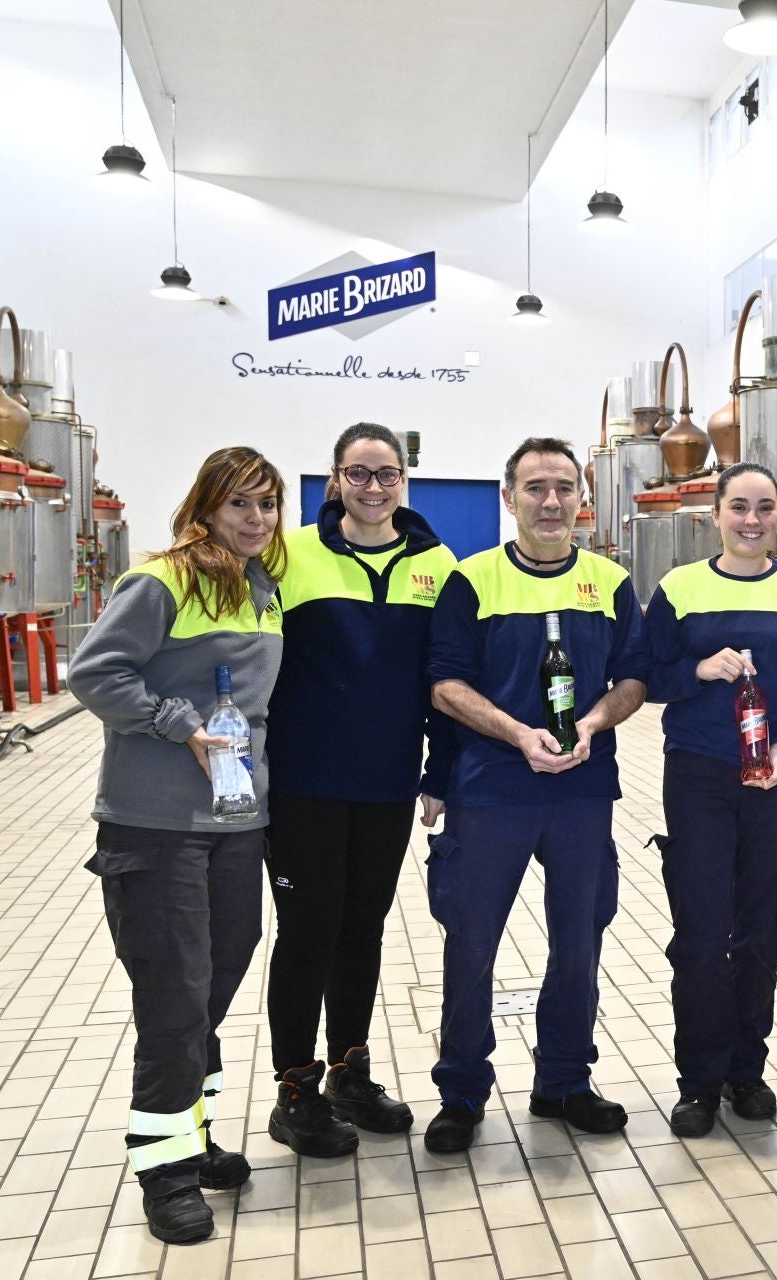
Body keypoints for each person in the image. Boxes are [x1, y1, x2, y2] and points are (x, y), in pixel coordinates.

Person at [66, 446, 287, 1245]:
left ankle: (190, 1136)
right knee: (175, 996)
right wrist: (176, 723)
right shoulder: (162, 580)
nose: (256, 519)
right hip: (156, 825)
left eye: (267, 504)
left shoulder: (263, 589)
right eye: (239, 504)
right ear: (205, 508)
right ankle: (164, 1173)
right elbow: (94, 672)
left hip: (236, 823)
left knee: (216, 979)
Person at [422, 436, 649, 1152]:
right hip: (490, 789)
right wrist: (518, 734)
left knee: (579, 941)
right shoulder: (473, 581)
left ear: (582, 497)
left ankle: (564, 1081)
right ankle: (462, 1092)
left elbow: (634, 678)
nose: (551, 502)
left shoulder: (610, 583)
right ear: (508, 497)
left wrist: (592, 724)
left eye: (564, 488)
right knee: (472, 944)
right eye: (535, 488)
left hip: (582, 790)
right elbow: (445, 685)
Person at [262, 423, 457, 1157]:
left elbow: (444, 678)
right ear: (335, 479)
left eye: (387, 474)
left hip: (386, 783)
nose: (373, 488)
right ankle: (295, 1093)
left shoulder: (437, 564)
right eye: (358, 474)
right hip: (302, 784)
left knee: (362, 930)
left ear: (404, 480)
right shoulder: (289, 557)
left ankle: (349, 1073)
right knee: (306, 933)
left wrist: (438, 771)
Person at [643, 462, 777, 1136]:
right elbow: (646, 676)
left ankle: (745, 1071)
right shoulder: (680, 588)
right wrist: (696, 670)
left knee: (761, 932)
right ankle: (699, 1083)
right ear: (716, 515)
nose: (752, 520)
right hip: (698, 775)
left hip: (776, 780)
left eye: (764, 508)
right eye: (739, 507)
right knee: (701, 935)